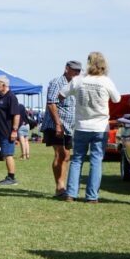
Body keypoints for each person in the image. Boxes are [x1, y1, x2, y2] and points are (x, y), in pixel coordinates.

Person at [59, 52, 121, 202]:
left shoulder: (79, 80)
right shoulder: (106, 81)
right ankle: (92, 196)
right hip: (100, 127)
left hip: (81, 126)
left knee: (77, 160)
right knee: (96, 160)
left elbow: (61, 95)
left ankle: (71, 194)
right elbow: (117, 99)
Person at [41, 60, 81, 198]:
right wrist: (58, 124)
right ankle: (60, 187)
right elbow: (51, 103)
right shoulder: (57, 82)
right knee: (61, 154)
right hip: (56, 125)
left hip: (69, 127)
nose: (77, 73)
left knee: (67, 156)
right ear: (66, 69)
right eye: (75, 70)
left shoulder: (76, 84)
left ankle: (62, 186)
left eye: (79, 71)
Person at [0, 75, 23, 186]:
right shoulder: (1, 97)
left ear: (3, 85)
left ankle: (11, 178)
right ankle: (9, 176)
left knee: (8, 154)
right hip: (1, 131)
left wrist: (14, 131)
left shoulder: (11, 97)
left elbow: (16, 115)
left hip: (7, 131)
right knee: (5, 154)